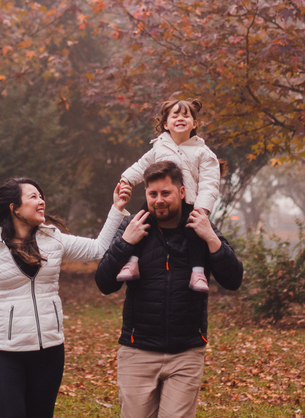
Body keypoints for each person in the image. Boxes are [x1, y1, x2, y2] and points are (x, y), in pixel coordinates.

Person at [0, 177, 131, 418]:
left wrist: (117, 208)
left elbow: (98, 249)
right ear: (14, 208)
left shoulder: (53, 239)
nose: (41, 202)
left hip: (49, 351)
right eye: (33, 197)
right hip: (4, 353)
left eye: (41, 197)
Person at [95, 160, 243, 418]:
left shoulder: (200, 226)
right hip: (137, 350)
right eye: (153, 194)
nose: (159, 200)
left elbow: (233, 279)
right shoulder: (133, 226)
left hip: (186, 354)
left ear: (182, 192)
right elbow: (104, 283)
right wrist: (126, 242)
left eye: (166, 193)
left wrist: (211, 237)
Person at [116, 98, 222, 292]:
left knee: (195, 234)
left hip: (190, 203)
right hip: (159, 201)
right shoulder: (159, 147)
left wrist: (202, 208)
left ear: (194, 124)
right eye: (175, 115)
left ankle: (197, 273)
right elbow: (141, 166)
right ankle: (132, 262)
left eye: (186, 115)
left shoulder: (203, 152)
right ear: (166, 124)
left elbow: (210, 182)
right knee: (141, 222)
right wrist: (126, 180)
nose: (180, 118)